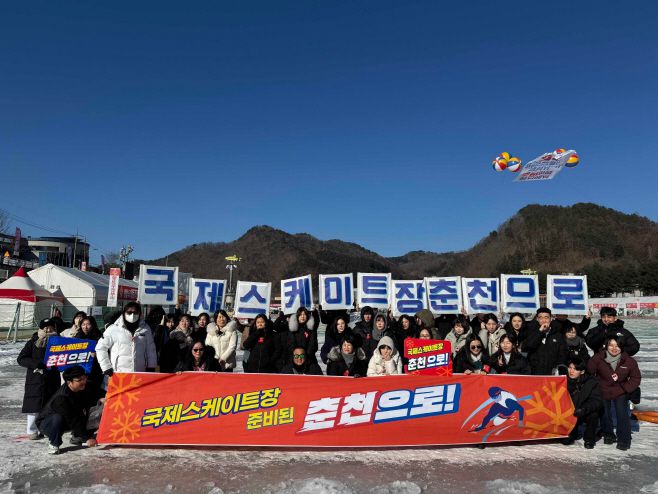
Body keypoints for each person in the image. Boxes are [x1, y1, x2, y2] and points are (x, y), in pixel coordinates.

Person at [587, 336, 641, 450]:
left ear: (621, 347)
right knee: (605, 414)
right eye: (611, 345)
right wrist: (597, 385)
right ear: (606, 346)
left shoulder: (629, 361)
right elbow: (590, 371)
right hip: (603, 390)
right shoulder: (599, 358)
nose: (614, 348)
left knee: (622, 414)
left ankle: (624, 439)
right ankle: (608, 434)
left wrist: (626, 389)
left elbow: (636, 378)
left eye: (617, 346)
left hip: (620, 391)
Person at [36, 365, 101, 454]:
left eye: (84, 378)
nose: (83, 381)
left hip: (70, 419)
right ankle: (54, 444)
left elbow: (101, 394)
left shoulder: (86, 386)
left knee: (99, 408)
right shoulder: (61, 398)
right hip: (48, 423)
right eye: (79, 380)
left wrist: (102, 398)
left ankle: (78, 436)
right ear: (69, 382)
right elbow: (72, 419)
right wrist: (87, 439)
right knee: (57, 418)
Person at [17, 318, 62, 440]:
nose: (48, 330)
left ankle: (46, 429)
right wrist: (36, 364)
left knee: (50, 405)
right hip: (35, 379)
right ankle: (32, 430)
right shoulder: (33, 341)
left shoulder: (59, 341)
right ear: (41, 328)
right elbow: (21, 359)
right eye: (46, 327)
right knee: (34, 406)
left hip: (52, 378)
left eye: (51, 327)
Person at [95, 302, 157, 377]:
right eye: (129, 312)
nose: (132, 315)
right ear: (124, 313)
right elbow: (100, 348)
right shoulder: (113, 329)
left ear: (139, 314)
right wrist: (106, 367)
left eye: (135, 312)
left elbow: (150, 349)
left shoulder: (145, 329)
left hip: (139, 373)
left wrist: (151, 366)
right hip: (118, 373)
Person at [564, 357, 603, 449]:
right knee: (566, 441)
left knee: (594, 414)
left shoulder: (591, 382)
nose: (571, 371)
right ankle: (570, 434)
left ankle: (589, 439)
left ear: (582, 372)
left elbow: (596, 401)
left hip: (583, 411)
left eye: (575, 369)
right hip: (569, 412)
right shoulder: (563, 380)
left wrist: (584, 409)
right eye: (570, 368)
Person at [524, 307, 568, 375]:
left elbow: (562, 355)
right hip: (535, 372)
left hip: (552, 372)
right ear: (537, 319)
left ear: (551, 319)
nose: (544, 320)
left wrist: (559, 369)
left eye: (546, 317)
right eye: (540, 318)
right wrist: (540, 331)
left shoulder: (558, 335)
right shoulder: (532, 332)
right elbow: (529, 346)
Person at [73, 316, 104, 396]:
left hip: (95, 370)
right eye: (83, 324)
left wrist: (97, 354)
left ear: (93, 325)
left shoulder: (99, 337)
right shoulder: (78, 336)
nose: (85, 327)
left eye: (88, 324)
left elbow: (105, 351)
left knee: (93, 391)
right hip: (80, 369)